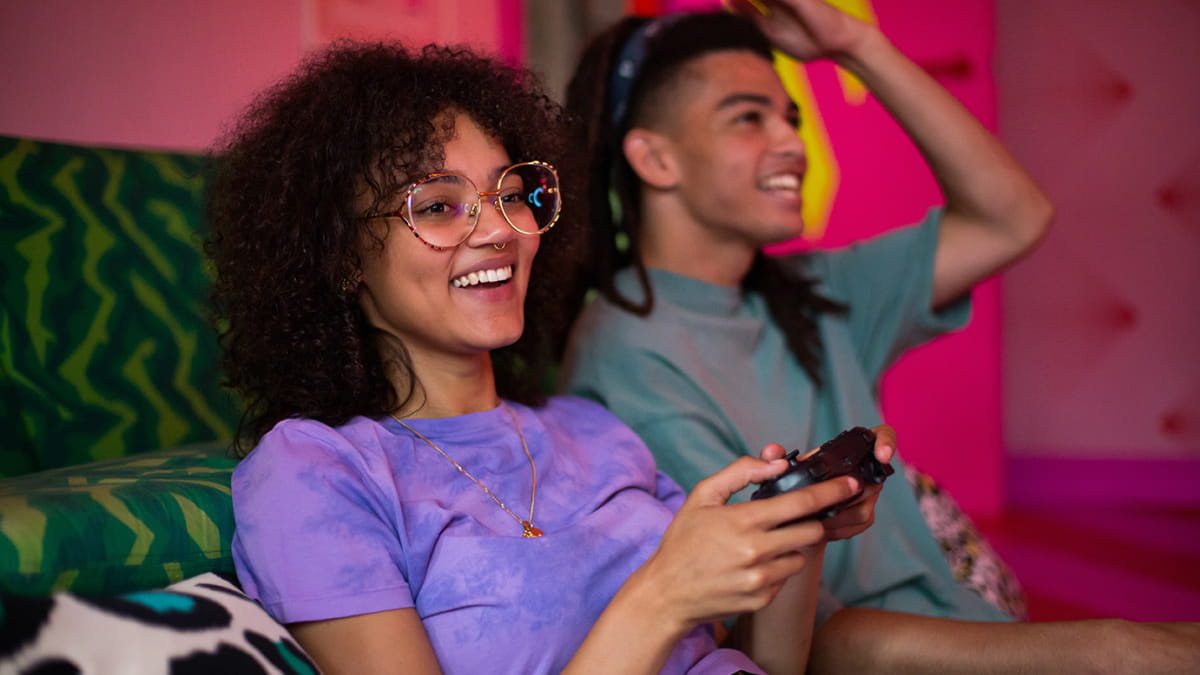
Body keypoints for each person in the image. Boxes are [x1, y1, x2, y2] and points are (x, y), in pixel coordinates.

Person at [205, 39, 884, 675]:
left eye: (512, 194)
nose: (500, 229)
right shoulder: (315, 472)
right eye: (439, 205)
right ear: (342, 254)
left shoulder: (595, 430)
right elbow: (663, 610)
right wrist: (661, 597)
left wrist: (798, 534)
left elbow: (749, 662)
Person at [559, 0, 1200, 671]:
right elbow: (783, 637)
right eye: (749, 117)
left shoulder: (808, 294)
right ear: (655, 158)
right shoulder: (627, 358)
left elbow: (1014, 218)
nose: (791, 143)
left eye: (792, 117)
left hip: (972, 628)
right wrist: (1115, 649)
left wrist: (855, 45)